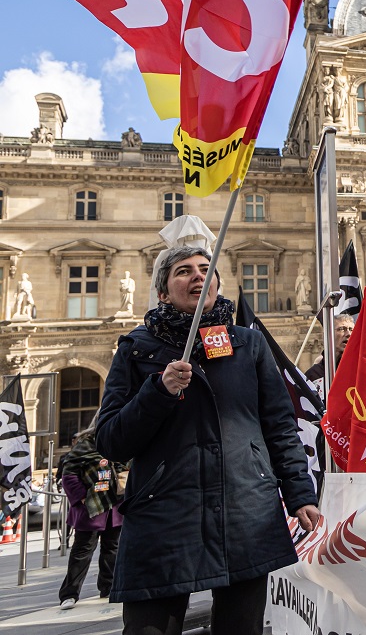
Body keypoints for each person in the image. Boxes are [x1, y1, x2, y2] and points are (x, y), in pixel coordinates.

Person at [95, 246, 319, 635]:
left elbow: (280, 426)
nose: (198, 276)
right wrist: (158, 391)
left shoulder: (248, 344)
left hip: (244, 513)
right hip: (164, 519)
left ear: (217, 281)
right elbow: (111, 440)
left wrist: (300, 492)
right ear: (163, 292)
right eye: (184, 271)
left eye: (206, 269)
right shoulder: (136, 349)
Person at [58, 420, 124, 609]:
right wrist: (81, 498)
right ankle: (69, 594)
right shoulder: (85, 444)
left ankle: (108, 587)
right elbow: (68, 475)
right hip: (90, 507)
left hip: (115, 506)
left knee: (112, 548)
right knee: (83, 550)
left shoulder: (119, 441)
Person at [305, 313, 354, 385]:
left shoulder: (360, 371)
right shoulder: (313, 375)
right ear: (328, 334)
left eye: (351, 329)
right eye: (342, 329)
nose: (348, 334)